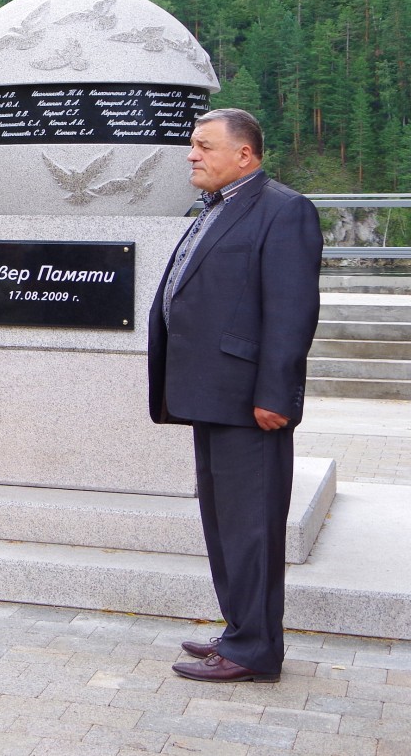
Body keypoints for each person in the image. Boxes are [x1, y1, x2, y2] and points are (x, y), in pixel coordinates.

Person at [148, 107, 322, 684]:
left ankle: (255, 653)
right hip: (211, 397)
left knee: (253, 529)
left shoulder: (283, 210)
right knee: (224, 526)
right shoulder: (218, 207)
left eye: (204, 146)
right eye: (192, 145)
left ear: (243, 154)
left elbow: (291, 311)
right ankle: (240, 630)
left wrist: (276, 394)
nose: (192, 155)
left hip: (252, 405)